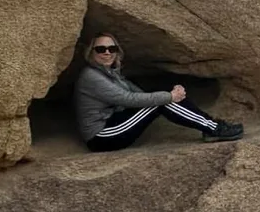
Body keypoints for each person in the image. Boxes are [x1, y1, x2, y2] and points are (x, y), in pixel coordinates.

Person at [74, 34, 243, 151]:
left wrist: (171, 95)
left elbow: (138, 92)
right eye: (101, 49)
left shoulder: (112, 73)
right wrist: (169, 97)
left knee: (160, 99)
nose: (107, 52)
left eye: (112, 48)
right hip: (102, 136)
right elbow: (128, 99)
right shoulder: (91, 76)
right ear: (91, 52)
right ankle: (213, 129)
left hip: (114, 125)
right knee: (161, 102)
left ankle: (211, 127)